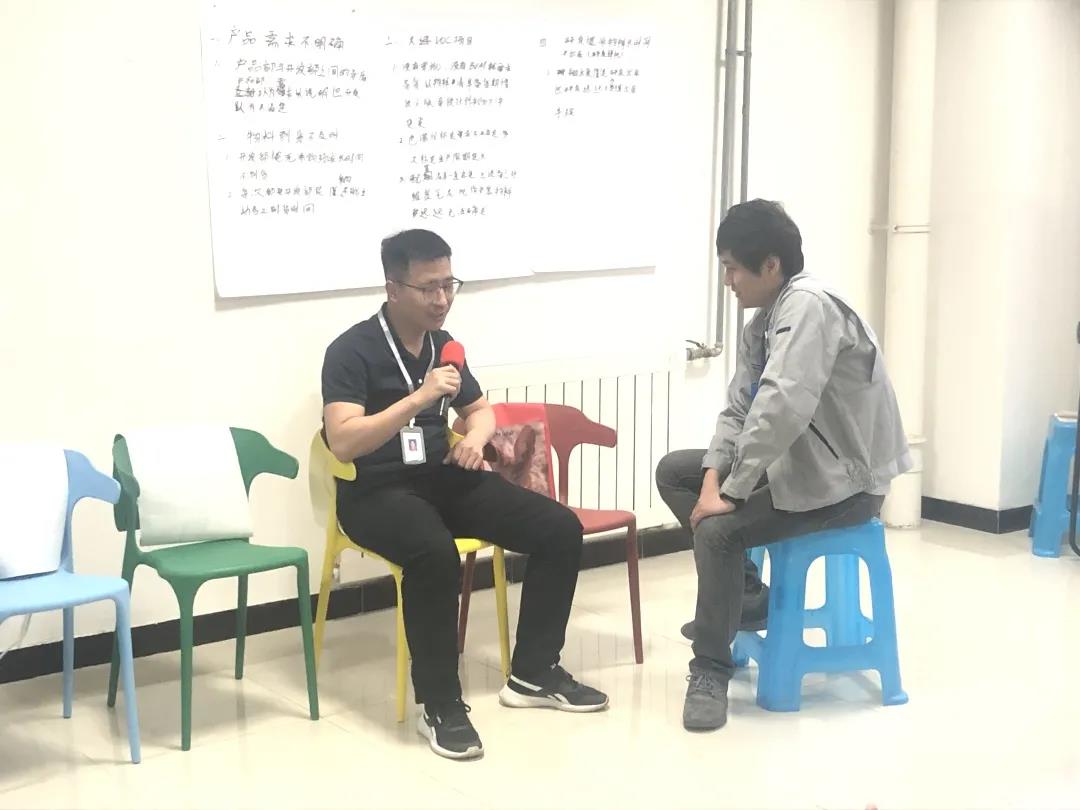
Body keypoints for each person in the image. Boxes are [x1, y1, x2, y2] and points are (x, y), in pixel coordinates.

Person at [321, 229, 607, 760]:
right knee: (433, 554)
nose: (442, 299)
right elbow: (342, 440)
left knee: (558, 528)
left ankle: (533, 673)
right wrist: (419, 398)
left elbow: (480, 411)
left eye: (449, 284)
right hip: (373, 491)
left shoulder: (444, 345)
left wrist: (474, 440)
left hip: (439, 476)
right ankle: (441, 704)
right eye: (428, 287)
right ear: (393, 289)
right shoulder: (351, 351)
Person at [655, 200, 911, 732]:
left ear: (770, 265)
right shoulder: (763, 324)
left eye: (733, 268)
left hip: (847, 485)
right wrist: (712, 478)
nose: (728, 281)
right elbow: (738, 410)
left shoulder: (809, 308)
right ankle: (748, 598)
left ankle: (710, 670)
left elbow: (780, 406)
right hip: (802, 470)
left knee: (719, 532)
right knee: (675, 472)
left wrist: (731, 492)